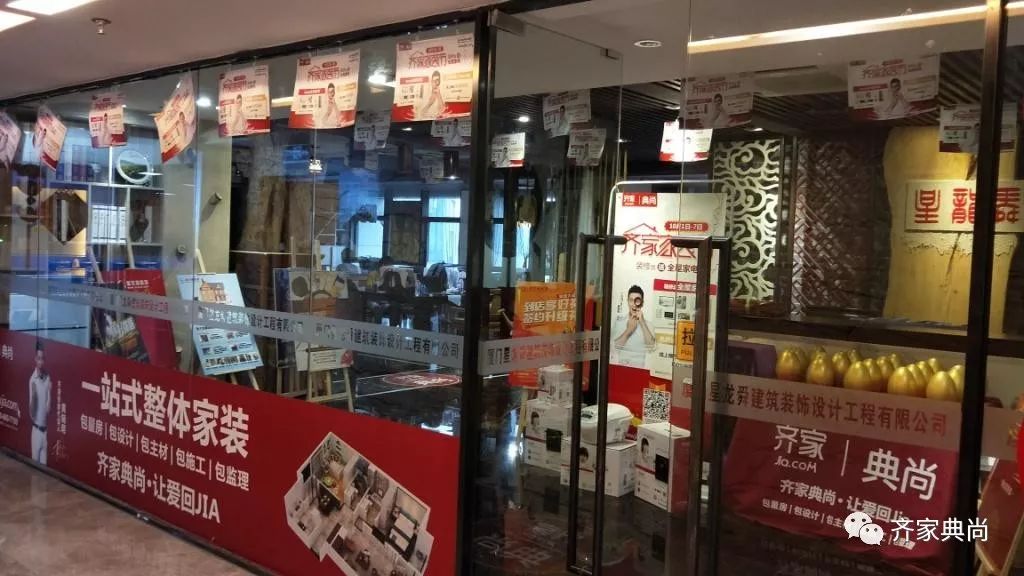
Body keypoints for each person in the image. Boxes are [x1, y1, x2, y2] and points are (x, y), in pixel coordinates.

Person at [612, 285, 657, 367]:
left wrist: (642, 322)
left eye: (637, 300)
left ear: (642, 303)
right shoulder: (619, 322)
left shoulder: (649, 325)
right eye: (631, 300)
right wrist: (629, 331)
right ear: (627, 301)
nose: (634, 304)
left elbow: (652, 349)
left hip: (640, 370)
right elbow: (613, 349)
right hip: (621, 368)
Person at [29, 342, 51, 465]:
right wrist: (34, 396)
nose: (41, 362)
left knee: (44, 469)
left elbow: (48, 410)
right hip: (36, 431)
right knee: (34, 468)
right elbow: (31, 414)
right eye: (38, 358)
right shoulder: (33, 380)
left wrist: (50, 392)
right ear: (35, 359)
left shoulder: (47, 378)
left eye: (42, 359)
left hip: (45, 432)